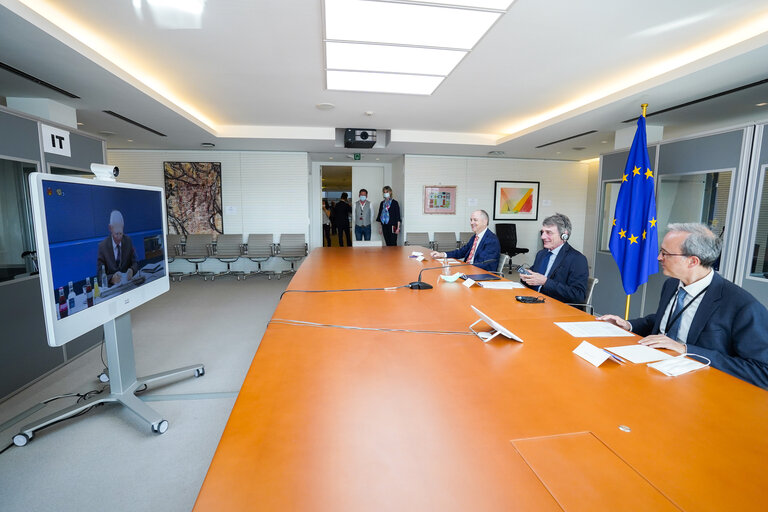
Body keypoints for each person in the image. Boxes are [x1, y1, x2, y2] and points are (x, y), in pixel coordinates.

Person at [598, 223, 768, 389]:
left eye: (665, 253)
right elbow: (662, 321)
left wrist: (686, 349)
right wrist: (629, 325)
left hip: (701, 389)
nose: (658, 258)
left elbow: (762, 371)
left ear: (693, 261)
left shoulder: (742, 306)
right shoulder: (672, 284)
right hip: (654, 374)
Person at [519, 213, 588, 304]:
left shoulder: (577, 259)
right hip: (534, 302)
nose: (542, 237)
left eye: (549, 233)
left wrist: (545, 282)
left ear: (564, 235)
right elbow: (533, 281)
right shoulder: (541, 254)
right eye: (543, 232)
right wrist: (526, 277)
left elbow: (578, 295)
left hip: (557, 308)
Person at [430, 209, 499, 272]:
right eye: (471, 220)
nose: (471, 223)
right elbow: (461, 252)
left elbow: (483, 264)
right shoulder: (475, 237)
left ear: (485, 222)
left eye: (475, 220)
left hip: (482, 274)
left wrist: (462, 268)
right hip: (470, 270)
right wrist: (442, 254)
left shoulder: (491, 240)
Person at [96, 210, 139, 287]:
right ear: (110, 228)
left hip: (128, 286)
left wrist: (132, 270)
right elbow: (99, 277)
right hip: (112, 290)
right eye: (116, 234)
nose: (119, 238)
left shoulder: (128, 241)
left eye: (121, 233)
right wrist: (111, 279)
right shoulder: (102, 247)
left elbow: (135, 262)